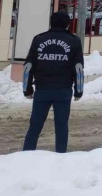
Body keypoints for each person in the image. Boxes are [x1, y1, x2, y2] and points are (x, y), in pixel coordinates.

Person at [22, 11, 84, 153]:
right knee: (61, 127)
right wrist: (79, 90)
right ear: (68, 24)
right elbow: (78, 68)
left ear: (51, 22)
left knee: (35, 127)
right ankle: (60, 157)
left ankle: (26, 156)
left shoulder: (38, 39)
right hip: (63, 91)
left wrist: (27, 89)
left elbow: (28, 66)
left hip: (42, 90)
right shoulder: (74, 41)